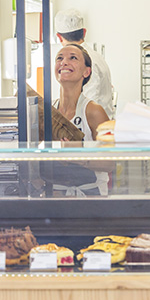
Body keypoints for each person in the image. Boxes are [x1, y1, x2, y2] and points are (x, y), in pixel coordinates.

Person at [49, 43, 112, 196]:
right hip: (56, 195)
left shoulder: (94, 111)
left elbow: (110, 162)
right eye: (59, 58)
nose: (64, 62)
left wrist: (79, 156)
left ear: (86, 72)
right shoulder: (48, 111)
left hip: (89, 196)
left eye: (73, 58)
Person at [54, 9, 114, 118]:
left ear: (59, 37)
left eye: (73, 58)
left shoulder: (87, 61)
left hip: (93, 125)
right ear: (84, 32)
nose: (64, 63)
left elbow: (88, 105)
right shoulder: (96, 57)